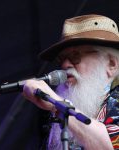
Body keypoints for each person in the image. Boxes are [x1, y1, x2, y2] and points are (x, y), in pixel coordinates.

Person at [23, 14, 119, 150]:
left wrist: (56, 103)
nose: (65, 65)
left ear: (111, 64)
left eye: (75, 56)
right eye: (61, 59)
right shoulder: (54, 120)